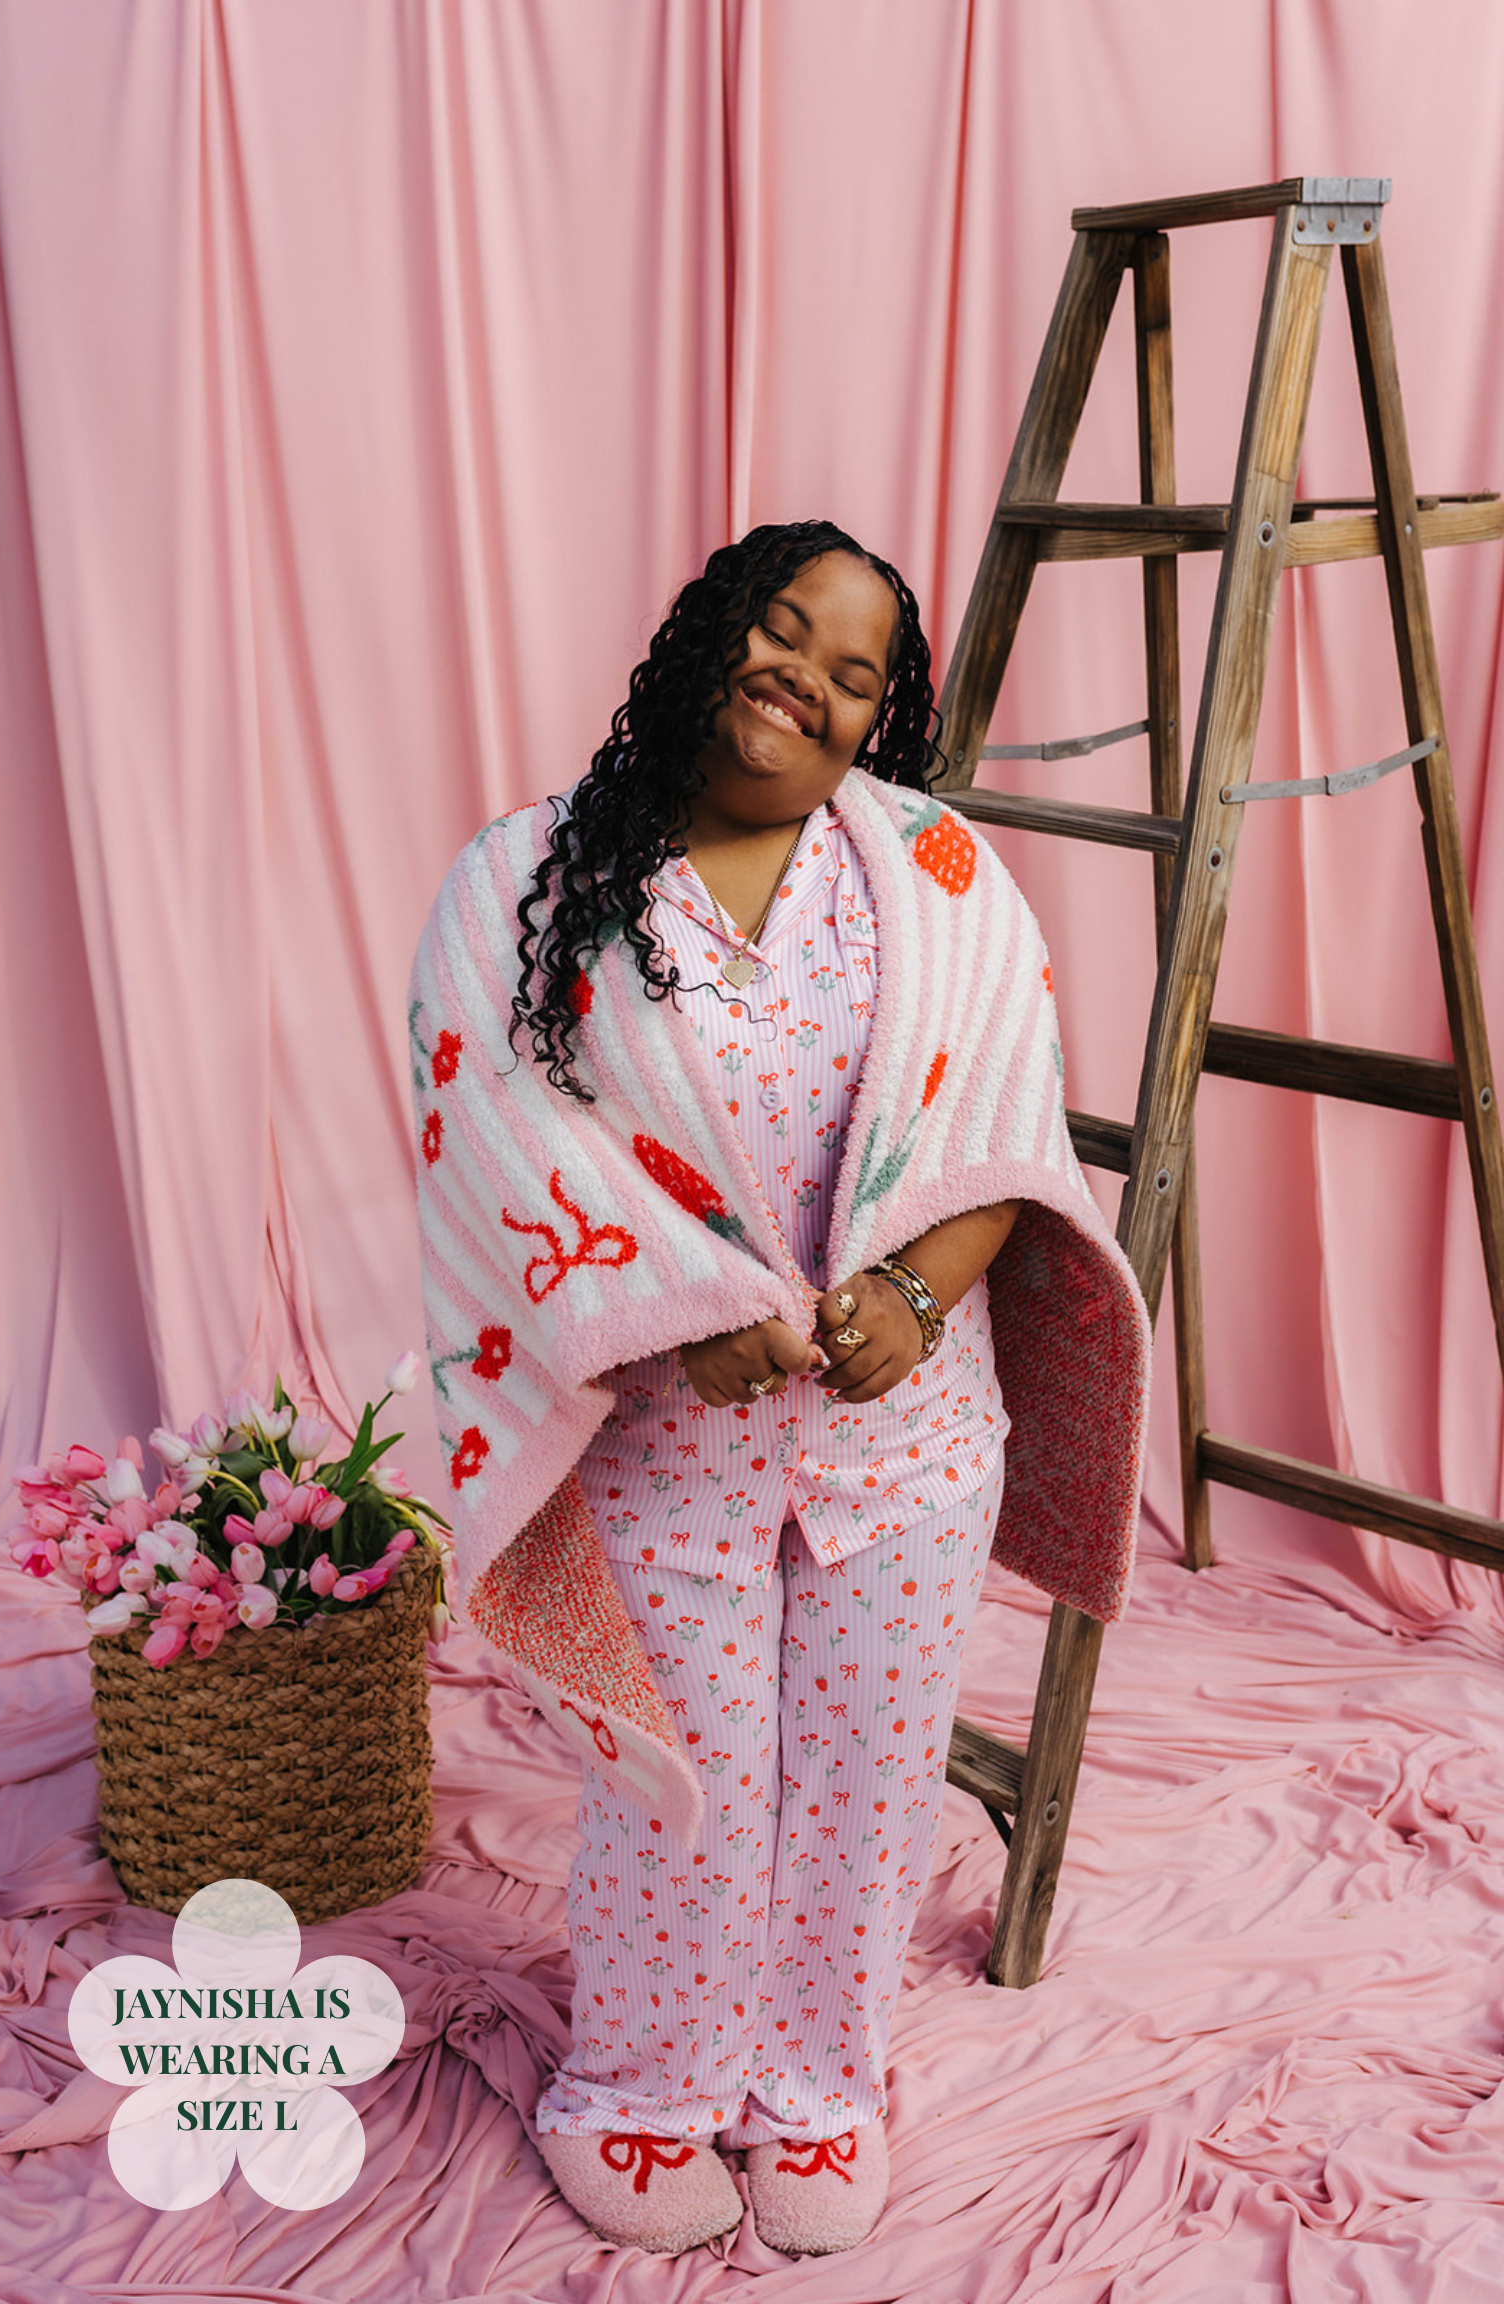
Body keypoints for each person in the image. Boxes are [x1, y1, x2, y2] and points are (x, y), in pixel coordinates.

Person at [409, 519, 1150, 2257]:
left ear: (879, 717)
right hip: (666, 1443)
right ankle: (646, 2088)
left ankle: (818, 2086)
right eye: (780, 626)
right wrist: (676, 1315)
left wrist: (911, 1290)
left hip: (910, 1437)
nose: (801, 677)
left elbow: (1005, 1130)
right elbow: (495, 1142)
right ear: (711, 629)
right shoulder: (525, 878)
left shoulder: (938, 871)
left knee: (874, 1778)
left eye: (853, 666)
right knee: (685, 1777)